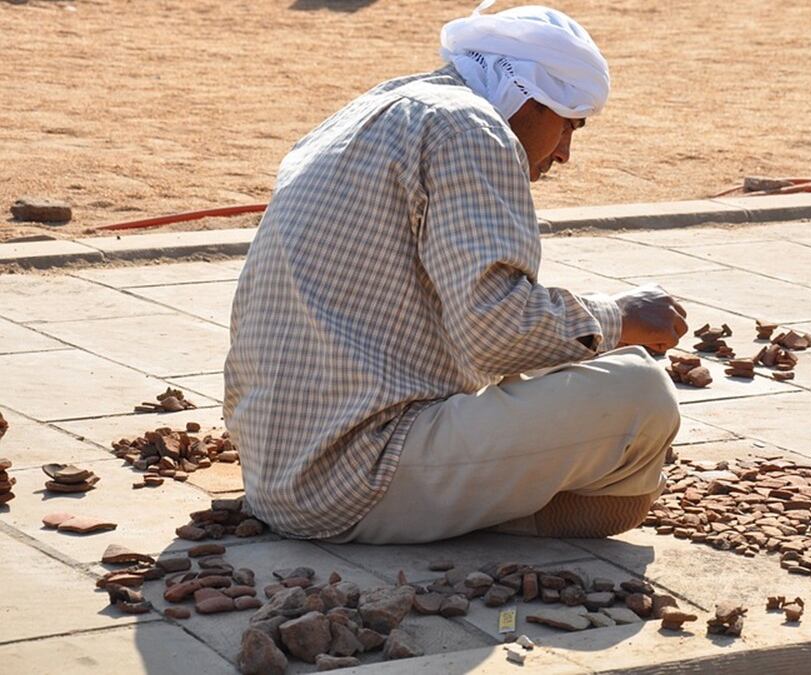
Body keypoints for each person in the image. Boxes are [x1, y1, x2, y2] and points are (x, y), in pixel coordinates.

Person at [224, 3, 688, 545]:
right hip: (353, 478)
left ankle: (479, 502)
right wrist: (620, 316)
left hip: (275, 464)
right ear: (528, 96)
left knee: (572, 356)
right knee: (642, 393)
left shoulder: (385, 103)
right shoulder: (472, 128)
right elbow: (498, 333)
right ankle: (508, 515)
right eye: (569, 124)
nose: (564, 153)